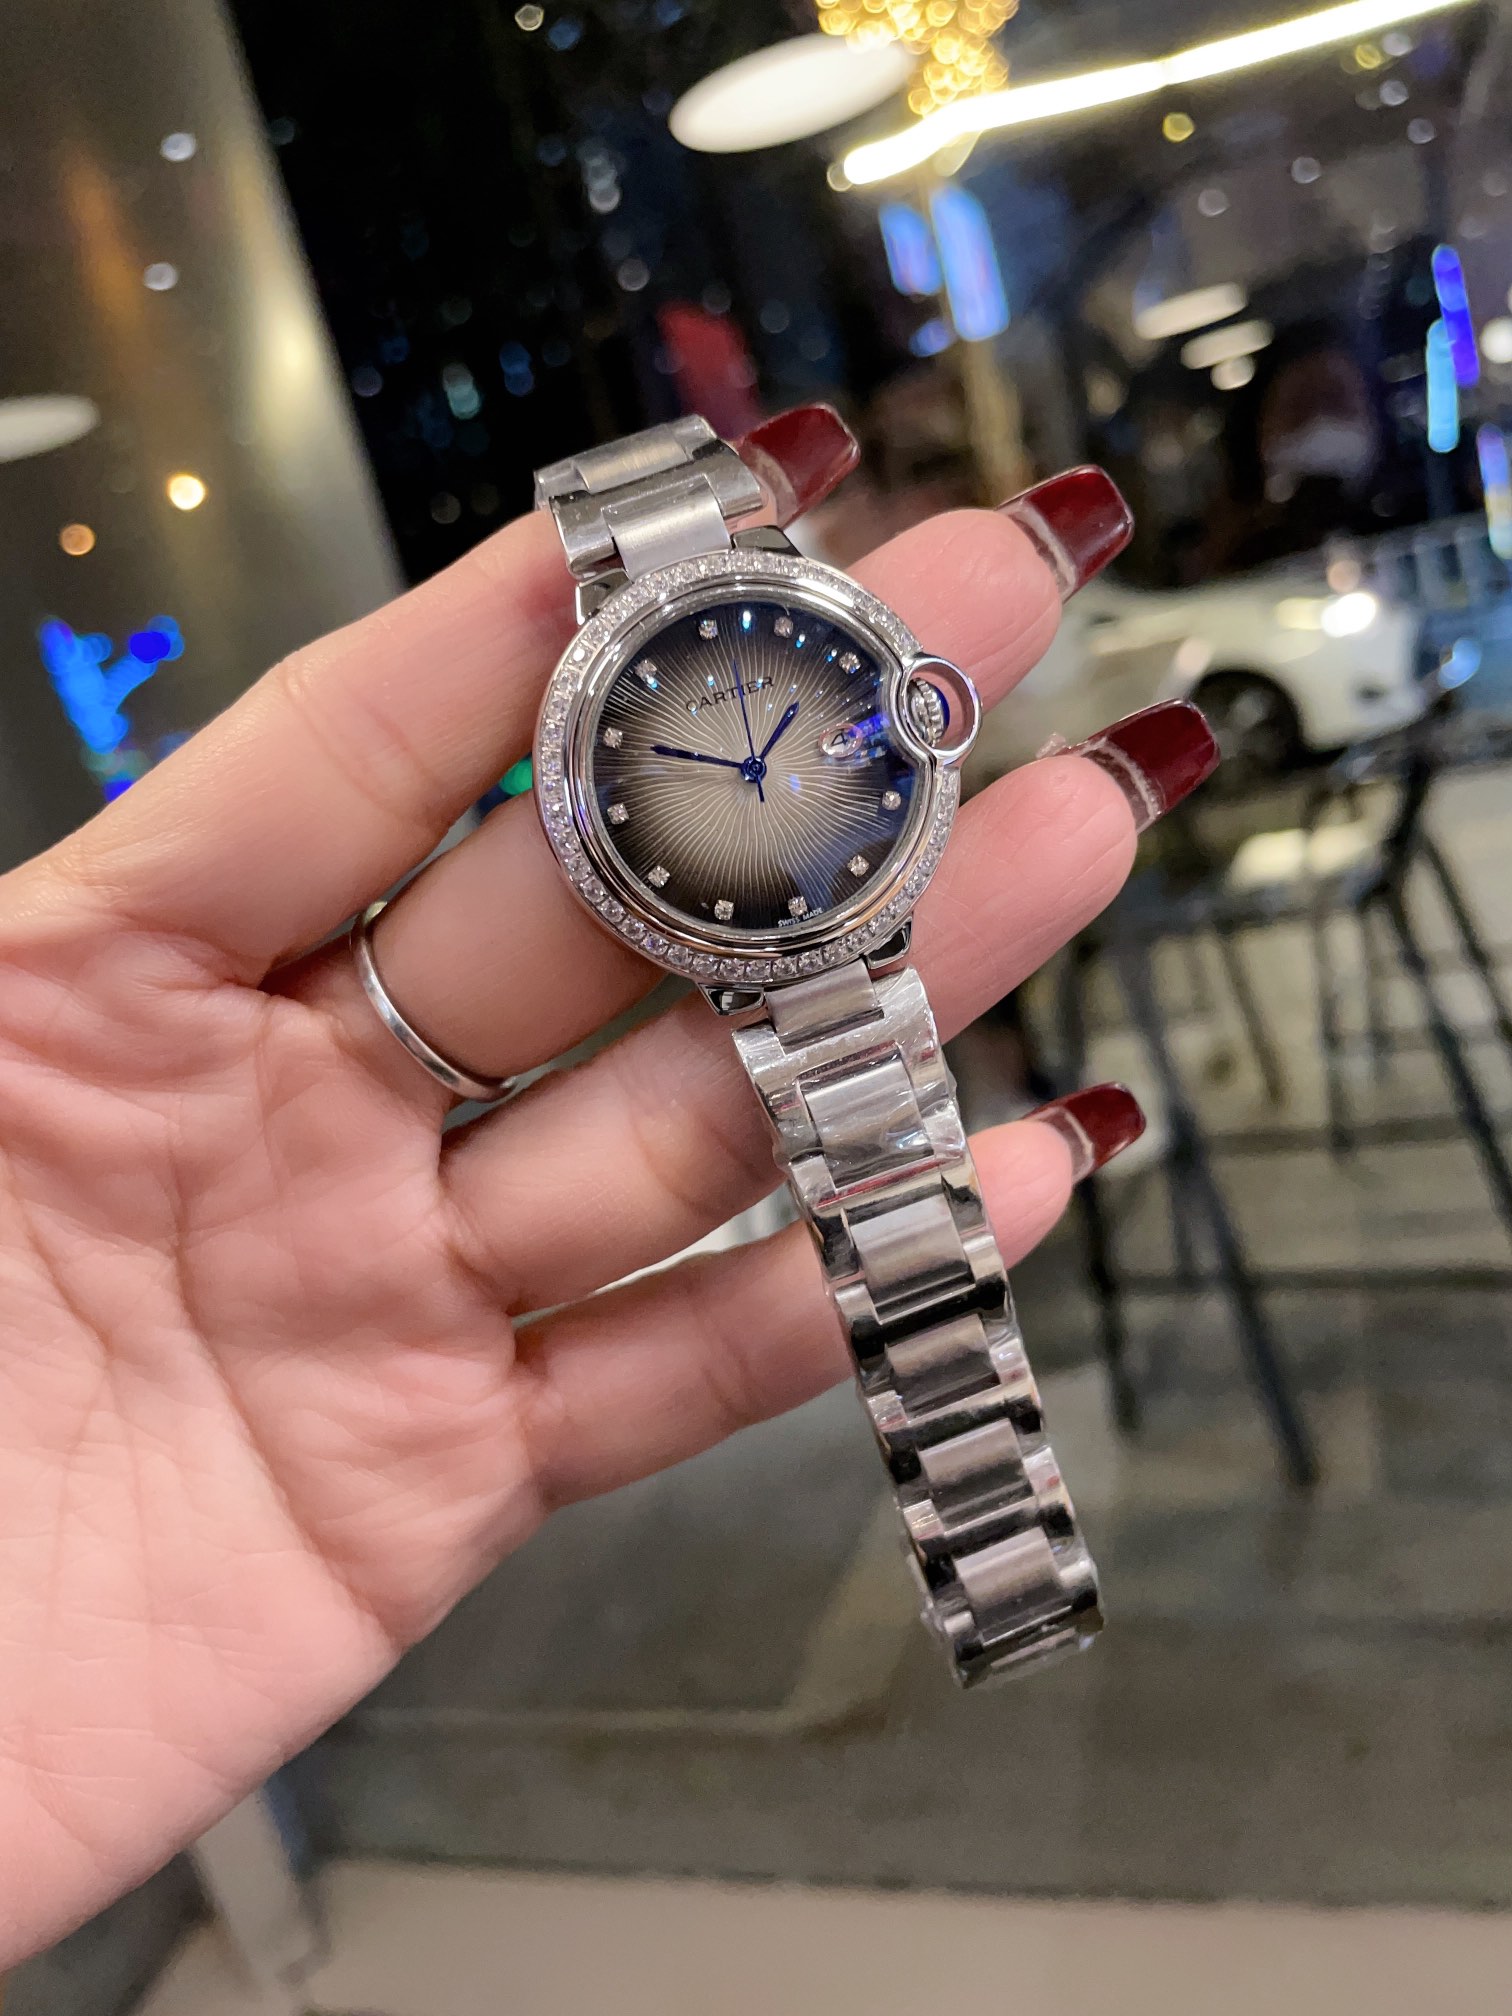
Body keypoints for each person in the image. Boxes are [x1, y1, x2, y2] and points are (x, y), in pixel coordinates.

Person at [0, 406, 1214, 1965]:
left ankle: (1013, 1566)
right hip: (782, 946)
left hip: (825, 941)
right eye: (722, 757)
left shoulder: (795, 702)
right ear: (588, 815)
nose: (757, 762)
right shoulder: (625, 769)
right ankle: (1009, 1566)